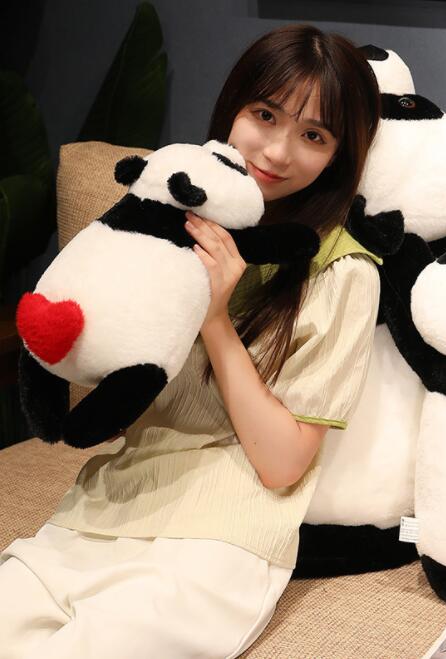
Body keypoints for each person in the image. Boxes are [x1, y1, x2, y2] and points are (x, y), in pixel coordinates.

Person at [0, 24, 381, 658]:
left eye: (314, 136)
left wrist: (215, 316)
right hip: (102, 507)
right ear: (233, 107)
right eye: (265, 115)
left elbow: (283, 464)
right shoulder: (159, 212)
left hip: (217, 537)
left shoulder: (341, 271)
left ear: (339, 156)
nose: (277, 151)